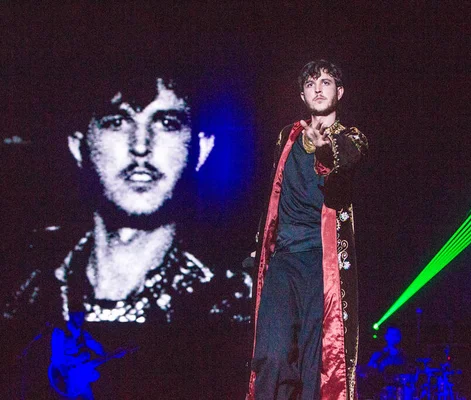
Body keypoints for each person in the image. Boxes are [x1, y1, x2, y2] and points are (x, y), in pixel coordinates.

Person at [2, 75, 252, 398]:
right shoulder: (22, 294)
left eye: (166, 122)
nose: (140, 145)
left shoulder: (231, 312)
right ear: (78, 146)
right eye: (117, 121)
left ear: (202, 149)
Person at [247, 60, 368, 400]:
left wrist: (323, 150)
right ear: (302, 94)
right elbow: (274, 194)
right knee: (271, 354)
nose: (318, 88)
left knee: (318, 364)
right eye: (312, 83)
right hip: (284, 261)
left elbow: (343, 163)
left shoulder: (351, 138)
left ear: (339, 92)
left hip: (322, 264)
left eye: (326, 82)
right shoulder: (287, 136)